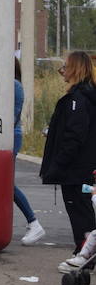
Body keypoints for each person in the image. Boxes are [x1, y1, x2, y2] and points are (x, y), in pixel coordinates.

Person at [40, 51, 96, 271]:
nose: (62, 70)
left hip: (76, 169)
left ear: (74, 69)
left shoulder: (78, 100)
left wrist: (58, 165)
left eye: (65, 66)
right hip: (82, 167)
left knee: (80, 212)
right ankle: (83, 251)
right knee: (84, 210)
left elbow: (74, 136)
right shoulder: (84, 97)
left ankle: (84, 253)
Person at [12, 59, 45, 245]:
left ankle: (33, 222)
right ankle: (33, 223)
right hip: (9, 135)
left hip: (11, 136)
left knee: (7, 184)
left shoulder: (14, 85)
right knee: (3, 184)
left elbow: (13, 115)